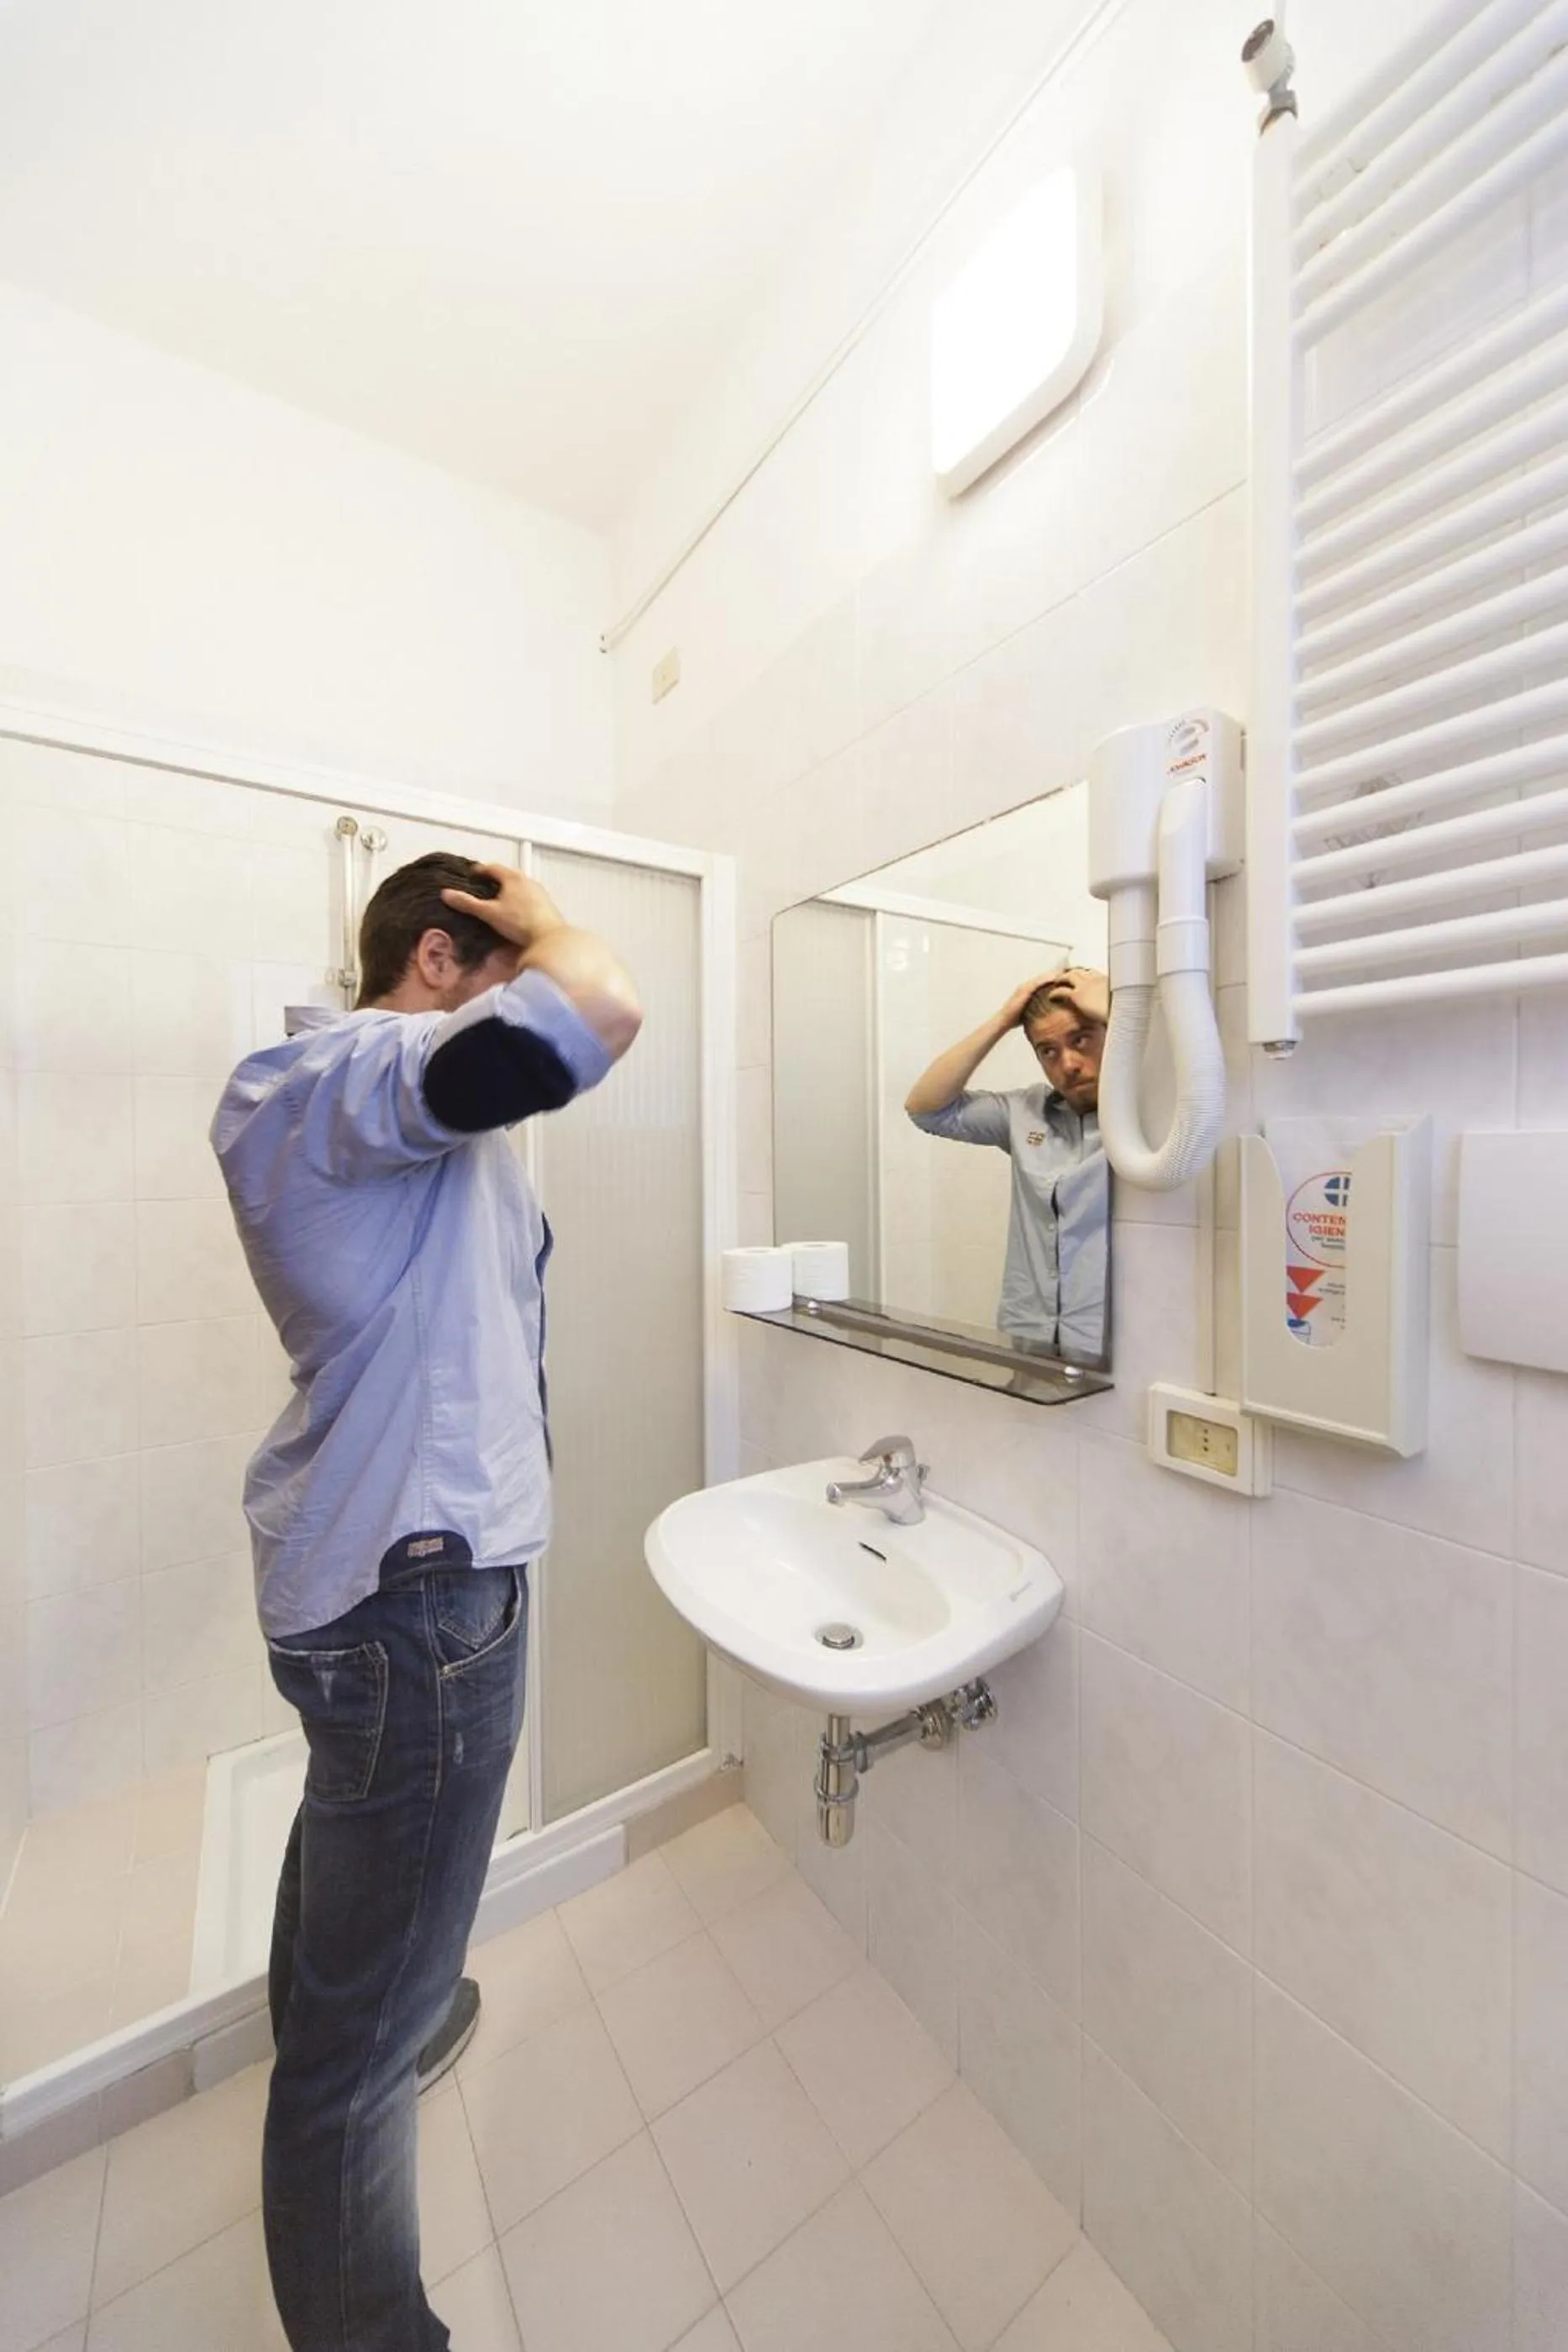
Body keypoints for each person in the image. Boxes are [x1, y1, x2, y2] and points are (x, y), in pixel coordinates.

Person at [212, 854, 642, 2352]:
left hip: (379, 1588)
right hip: (420, 1606)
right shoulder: (353, 1074)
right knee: (352, 2065)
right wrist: (548, 930)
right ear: (449, 959)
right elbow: (601, 1006)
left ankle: (370, 2000)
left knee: (352, 1847)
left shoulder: (386, 1118)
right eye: (499, 957)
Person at [904, 966, 1108, 1360]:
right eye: (1048, 1051)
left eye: (1081, 1039)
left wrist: (1117, 1009)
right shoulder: (1025, 1113)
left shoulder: (1152, 1115)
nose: (1068, 1064)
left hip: (1114, 1343)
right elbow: (926, 1109)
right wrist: (1002, 1021)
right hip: (1028, 1333)